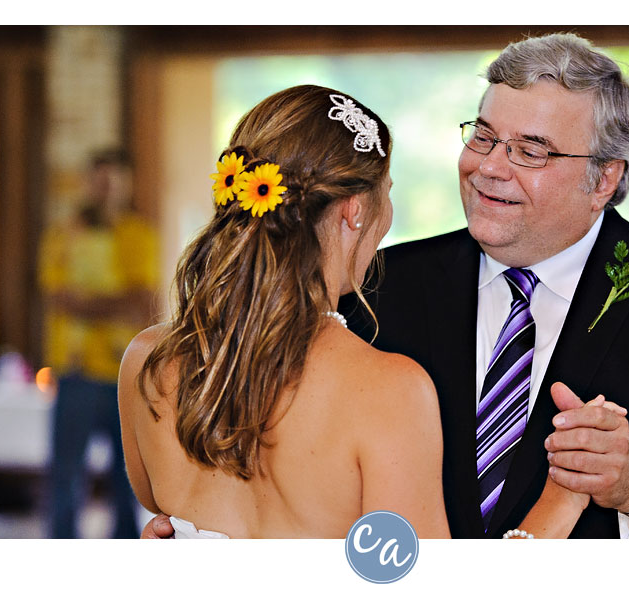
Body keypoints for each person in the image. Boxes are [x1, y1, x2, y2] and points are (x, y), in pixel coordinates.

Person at [342, 33, 629, 539]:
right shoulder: (373, 288)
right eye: (483, 136)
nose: (489, 167)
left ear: (605, 179)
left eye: (531, 151)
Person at [121, 85, 597, 539]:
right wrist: (560, 503)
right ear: (354, 210)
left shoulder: (145, 362)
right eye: (385, 191)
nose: (387, 215)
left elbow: (167, 512)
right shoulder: (388, 391)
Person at [40, 148, 158, 538]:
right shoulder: (62, 234)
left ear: (126, 184)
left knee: (128, 481)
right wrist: (114, 302)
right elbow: (57, 296)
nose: (106, 188)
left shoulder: (139, 235)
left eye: (114, 180)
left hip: (124, 372)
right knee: (65, 475)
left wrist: (87, 303)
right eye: (100, 179)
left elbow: (142, 299)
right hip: (75, 371)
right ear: (88, 183)